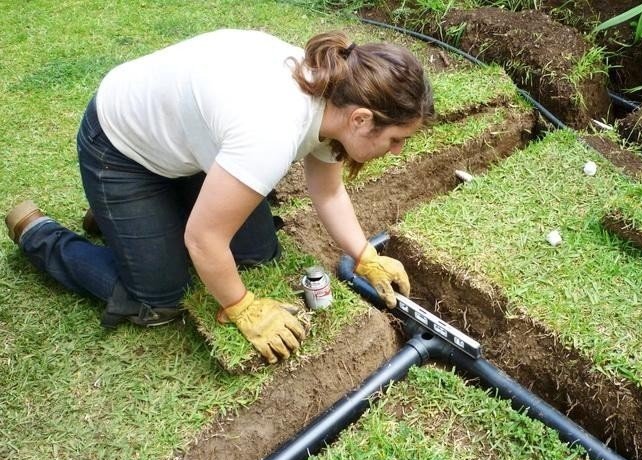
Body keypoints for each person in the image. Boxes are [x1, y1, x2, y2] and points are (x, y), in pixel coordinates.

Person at [5, 28, 434, 365]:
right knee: (159, 298)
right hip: (120, 149)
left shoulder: (335, 91)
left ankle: (129, 218)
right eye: (396, 139)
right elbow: (203, 241)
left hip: (187, 148)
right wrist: (241, 306)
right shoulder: (270, 132)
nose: (396, 150)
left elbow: (328, 188)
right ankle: (41, 234)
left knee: (257, 253)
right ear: (361, 119)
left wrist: (364, 255)